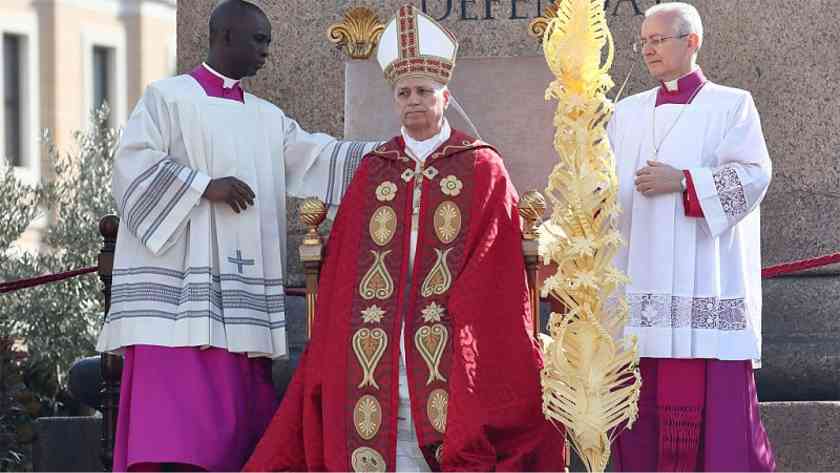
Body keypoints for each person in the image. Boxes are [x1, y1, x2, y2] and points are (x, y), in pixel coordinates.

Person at [243, 5, 566, 472]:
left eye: (424, 91)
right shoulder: (376, 168)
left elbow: (495, 261)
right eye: (404, 93)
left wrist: (455, 309)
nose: (414, 100)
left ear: (444, 95)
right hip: (380, 329)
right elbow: (346, 268)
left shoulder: (480, 166)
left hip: (449, 323)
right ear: (395, 100)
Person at [95, 1, 379, 470]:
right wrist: (204, 186)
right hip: (176, 306)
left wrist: (390, 155)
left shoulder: (266, 118)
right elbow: (132, 167)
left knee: (234, 442)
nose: (267, 50)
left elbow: (313, 157)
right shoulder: (167, 98)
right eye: (259, 39)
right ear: (226, 36)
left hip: (238, 303)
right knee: (174, 439)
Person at [607, 3, 775, 471]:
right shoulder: (625, 114)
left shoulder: (731, 105)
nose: (649, 49)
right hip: (638, 281)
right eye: (643, 41)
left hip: (706, 281)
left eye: (659, 39)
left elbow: (754, 175)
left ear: (692, 41)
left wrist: (683, 181)